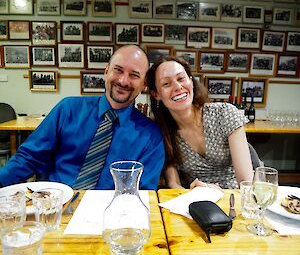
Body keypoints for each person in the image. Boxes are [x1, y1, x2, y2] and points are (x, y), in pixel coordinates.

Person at [0, 45, 165, 190]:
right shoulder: (68, 109)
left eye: (134, 75)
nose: (123, 80)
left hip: (109, 216)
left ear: (144, 84)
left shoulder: (150, 136)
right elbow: (29, 158)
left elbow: (142, 193)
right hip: (54, 207)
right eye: (118, 70)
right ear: (106, 71)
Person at [146, 56, 253, 189]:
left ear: (191, 81)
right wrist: (192, 195)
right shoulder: (160, 130)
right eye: (166, 84)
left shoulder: (225, 114)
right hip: (193, 201)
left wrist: (219, 193)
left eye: (181, 79)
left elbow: (246, 183)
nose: (178, 87)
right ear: (156, 94)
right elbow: (174, 184)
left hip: (234, 199)